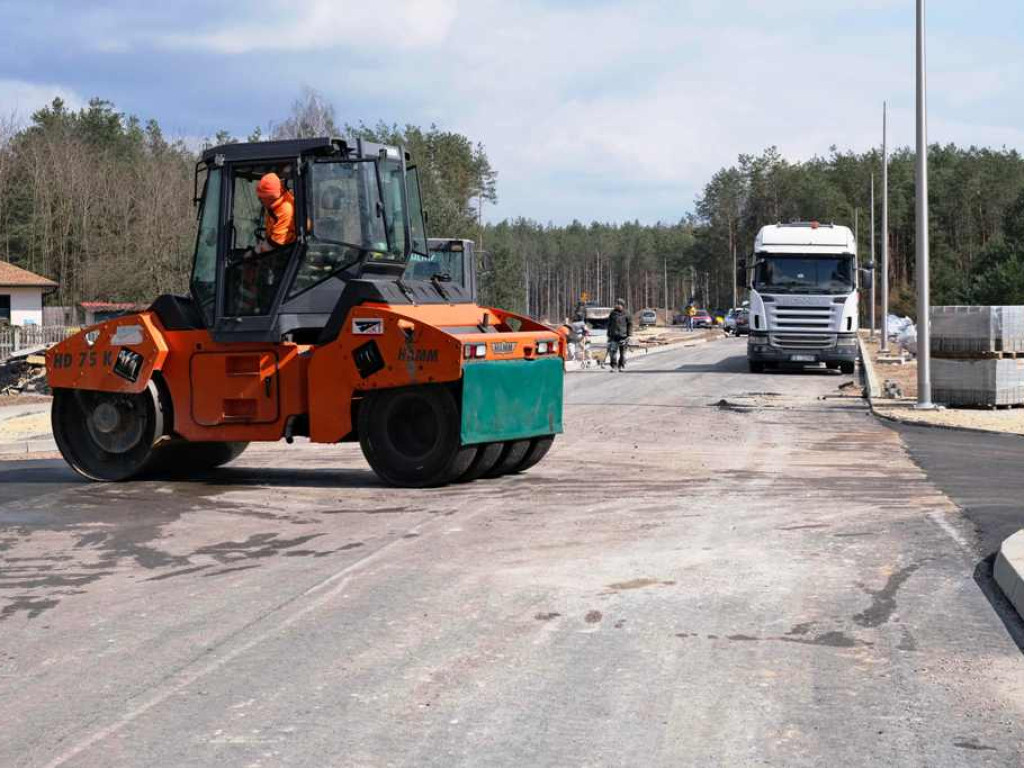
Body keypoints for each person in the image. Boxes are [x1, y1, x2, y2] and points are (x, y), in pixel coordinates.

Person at [255, 172, 296, 252]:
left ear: (271, 197)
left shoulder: (285, 209)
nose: (260, 200)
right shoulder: (274, 206)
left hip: (288, 251)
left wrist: (254, 253)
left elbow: (275, 243)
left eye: (262, 198)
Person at [606, 298, 632, 371]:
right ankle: (614, 366)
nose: (617, 305)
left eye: (619, 304)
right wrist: (608, 334)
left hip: (623, 336)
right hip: (614, 336)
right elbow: (609, 324)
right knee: (613, 352)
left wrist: (629, 335)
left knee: (623, 353)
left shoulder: (627, 313)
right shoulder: (613, 313)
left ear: (622, 305)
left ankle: (621, 365)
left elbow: (630, 324)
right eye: (616, 304)